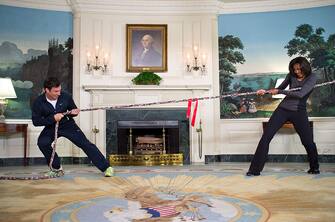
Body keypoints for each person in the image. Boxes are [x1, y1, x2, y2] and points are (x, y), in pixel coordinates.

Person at [247, 56, 319, 176]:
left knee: (307, 141)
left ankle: (314, 167)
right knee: (266, 138)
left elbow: (301, 94)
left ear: (305, 67)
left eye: (299, 69)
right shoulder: (291, 75)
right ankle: (254, 170)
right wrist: (265, 91)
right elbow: (279, 88)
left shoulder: (312, 77)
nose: (296, 72)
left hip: (299, 111)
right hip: (282, 109)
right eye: (294, 69)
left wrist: (280, 92)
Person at [32, 77, 114, 177]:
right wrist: (53, 118)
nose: (59, 93)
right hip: (51, 127)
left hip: (67, 125)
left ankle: (106, 167)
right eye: (56, 91)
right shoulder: (38, 102)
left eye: (60, 90)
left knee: (85, 144)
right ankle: (57, 169)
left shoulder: (66, 96)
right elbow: (36, 122)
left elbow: (72, 110)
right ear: (46, 90)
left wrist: (74, 112)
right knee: (42, 143)